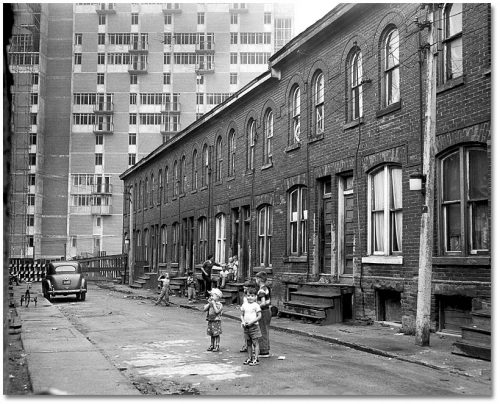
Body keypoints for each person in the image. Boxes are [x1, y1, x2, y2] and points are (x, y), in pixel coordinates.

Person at [240, 286, 262, 366]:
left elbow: (259, 316)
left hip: (254, 326)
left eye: (252, 296)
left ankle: (256, 358)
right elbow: (242, 315)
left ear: (255, 297)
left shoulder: (256, 305)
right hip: (246, 327)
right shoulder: (244, 305)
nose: (250, 297)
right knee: (248, 343)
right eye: (248, 295)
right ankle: (249, 357)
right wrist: (243, 322)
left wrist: (252, 322)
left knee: (255, 342)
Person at [255, 271, 271, 357]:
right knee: (265, 330)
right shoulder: (266, 288)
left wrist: (256, 308)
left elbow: (263, 302)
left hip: (263, 311)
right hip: (267, 311)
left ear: (260, 280)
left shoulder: (261, 290)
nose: (255, 280)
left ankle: (264, 351)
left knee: (262, 330)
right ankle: (266, 348)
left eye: (256, 278)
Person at [239, 279, 258, 352]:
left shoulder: (252, 296)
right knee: (246, 332)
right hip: (245, 315)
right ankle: (246, 345)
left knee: (252, 333)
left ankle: (253, 347)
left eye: (245, 288)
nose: (244, 289)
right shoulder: (245, 295)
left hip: (251, 316)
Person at [203, 288, 223, 352]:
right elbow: (204, 309)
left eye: (212, 296)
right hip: (210, 320)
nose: (211, 297)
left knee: (216, 334)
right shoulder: (211, 303)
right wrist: (209, 303)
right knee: (211, 334)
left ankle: (217, 345)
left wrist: (214, 304)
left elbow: (217, 311)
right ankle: (212, 345)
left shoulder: (220, 304)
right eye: (211, 296)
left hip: (216, 321)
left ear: (217, 296)